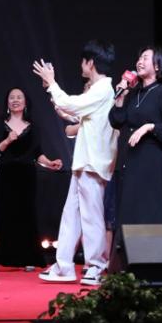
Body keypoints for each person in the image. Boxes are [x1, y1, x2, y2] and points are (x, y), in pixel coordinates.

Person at [32, 40, 117, 286]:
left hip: (93, 162)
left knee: (91, 216)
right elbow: (72, 111)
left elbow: (71, 104)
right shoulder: (97, 90)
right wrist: (53, 92)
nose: (81, 65)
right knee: (71, 215)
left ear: (91, 63)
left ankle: (96, 266)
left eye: (83, 61)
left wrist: (52, 83)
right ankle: (64, 266)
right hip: (84, 162)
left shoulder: (103, 89)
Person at [109, 46, 162, 260]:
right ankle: (124, 265)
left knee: (147, 210)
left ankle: (150, 263)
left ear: (157, 65)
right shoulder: (134, 93)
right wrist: (121, 96)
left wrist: (149, 127)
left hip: (150, 161)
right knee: (128, 210)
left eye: (145, 58)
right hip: (130, 160)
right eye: (139, 58)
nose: (139, 62)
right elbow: (117, 121)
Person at [0, 87, 62, 271]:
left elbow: (37, 154)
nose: (15, 100)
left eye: (19, 97)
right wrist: (7, 140)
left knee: (27, 214)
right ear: (7, 102)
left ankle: (29, 258)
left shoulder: (33, 126)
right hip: (5, 173)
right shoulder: (0, 124)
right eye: (12, 97)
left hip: (27, 174)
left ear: (25, 102)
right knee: (5, 214)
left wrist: (49, 163)